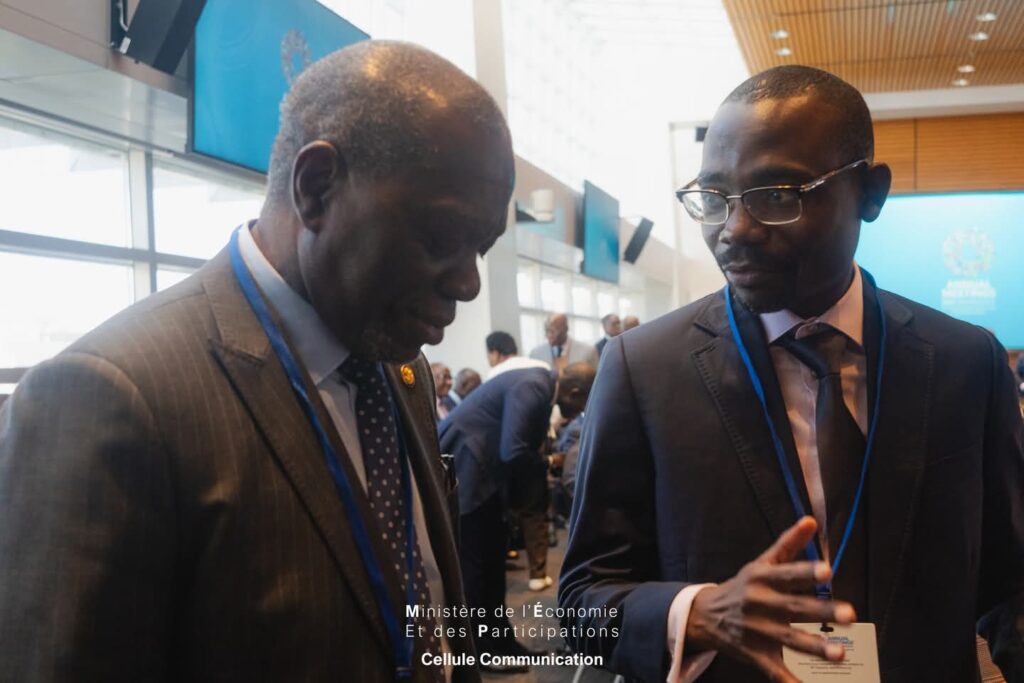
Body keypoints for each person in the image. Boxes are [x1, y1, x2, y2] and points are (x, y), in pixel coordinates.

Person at [0, 41, 515, 682]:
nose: (468, 284)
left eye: (481, 248)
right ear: (316, 188)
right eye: (441, 239)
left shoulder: (394, 367)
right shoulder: (110, 398)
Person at [559, 65, 1024, 683]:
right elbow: (582, 602)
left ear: (871, 194)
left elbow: (1009, 579)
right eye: (714, 198)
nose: (735, 231)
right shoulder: (643, 369)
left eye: (778, 195)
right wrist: (697, 613)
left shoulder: (966, 362)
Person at [437, 364, 566, 673]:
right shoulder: (536, 384)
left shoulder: (538, 384)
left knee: (493, 566)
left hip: (483, 473)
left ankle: (503, 642)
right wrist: (549, 462)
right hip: (469, 469)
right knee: (476, 568)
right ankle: (482, 651)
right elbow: (514, 450)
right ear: (574, 391)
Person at [529, 313, 598, 372]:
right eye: (547, 331)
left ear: (566, 329)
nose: (549, 335)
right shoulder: (535, 354)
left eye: (553, 331)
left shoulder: (588, 351)